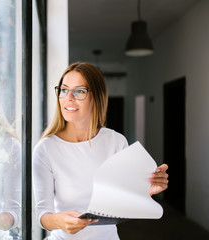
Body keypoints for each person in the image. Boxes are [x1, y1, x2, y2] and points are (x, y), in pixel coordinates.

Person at [32, 62, 169, 240]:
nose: (69, 97)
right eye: (64, 90)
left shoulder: (116, 142)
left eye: (79, 91)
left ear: (96, 96)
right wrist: (59, 221)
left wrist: (145, 191)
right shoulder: (45, 148)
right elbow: (43, 214)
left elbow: (122, 202)